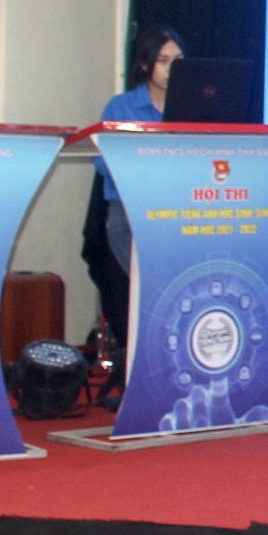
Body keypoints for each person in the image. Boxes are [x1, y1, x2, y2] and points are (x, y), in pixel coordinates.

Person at [84, 24, 180, 399]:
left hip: (180, 214)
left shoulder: (193, 106)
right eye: (163, 60)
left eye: (178, 61)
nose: (171, 68)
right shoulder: (121, 107)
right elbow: (102, 161)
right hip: (130, 214)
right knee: (147, 296)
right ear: (145, 64)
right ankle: (142, 380)